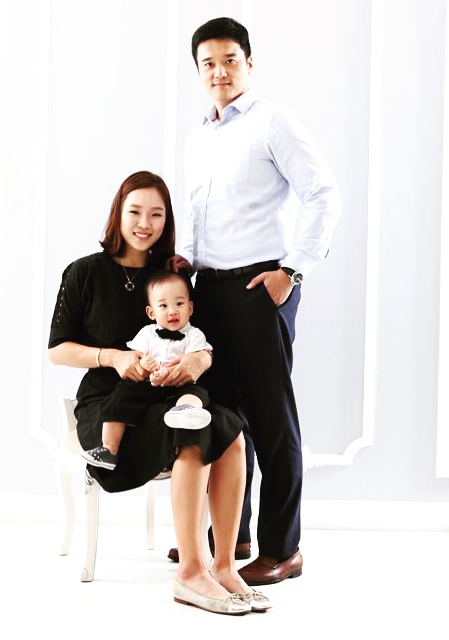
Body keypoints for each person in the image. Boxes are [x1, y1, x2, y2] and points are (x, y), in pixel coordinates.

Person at [48, 170, 271, 614]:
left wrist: (199, 361)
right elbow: (58, 351)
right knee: (192, 432)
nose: (144, 224)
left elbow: (197, 340)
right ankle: (190, 572)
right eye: (135, 212)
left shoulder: (171, 277)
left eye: (156, 214)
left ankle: (225, 566)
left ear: (167, 220)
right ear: (118, 213)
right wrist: (113, 358)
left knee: (230, 429)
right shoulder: (84, 272)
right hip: (111, 405)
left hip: (169, 396)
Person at [170, 17, 343, 585]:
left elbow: (322, 194)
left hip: (260, 288)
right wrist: (186, 260)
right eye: (208, 63)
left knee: (272, 420)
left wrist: (292, 270)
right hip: (209, 290)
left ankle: (283, 549)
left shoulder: (274, 122)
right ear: (198, 71)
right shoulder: (198, 137)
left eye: (229, 60)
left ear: (248, 62)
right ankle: (232, 534)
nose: (219, 72)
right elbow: (197, 213)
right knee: (223, 419)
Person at [80, 269, 214, 471]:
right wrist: (145, 366)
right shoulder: (147, 333)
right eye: (163, 306)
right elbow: (137, 359)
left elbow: (194, 361)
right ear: (151, 313)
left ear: (190, 307)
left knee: (198, 394)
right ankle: (108, 448)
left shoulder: (195, 335)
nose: (172, 311)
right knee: (121, 394)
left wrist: (169, 372)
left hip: (179, 385)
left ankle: (184, 411)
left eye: (179, 304)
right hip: (148, 385)